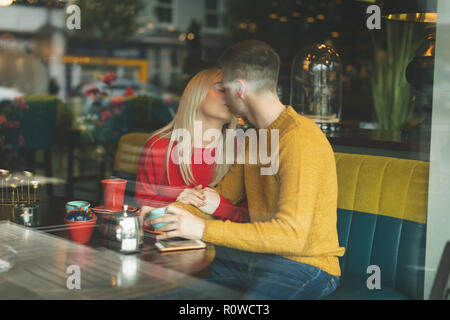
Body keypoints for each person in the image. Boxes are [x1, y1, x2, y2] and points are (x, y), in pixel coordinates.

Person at [148, 40, 345, 300]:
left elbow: (291, 236)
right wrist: (170, 215)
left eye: (224, 87)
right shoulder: (255, 139)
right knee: (161, 292)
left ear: (239, 88)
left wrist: (201, 230)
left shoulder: (299, 138)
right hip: (256, 259)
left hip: (305, 264)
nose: (223, 96)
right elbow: (220, 194)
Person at [135, 68, 249, 227]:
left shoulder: (241, 149)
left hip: (219, 245)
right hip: (167, 244)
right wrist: (178, 200)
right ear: (197, 93)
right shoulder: (159, 145)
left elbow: (250, 218)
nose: (232, 97)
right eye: (222, 89)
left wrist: (216, 205)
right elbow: (142, 208)